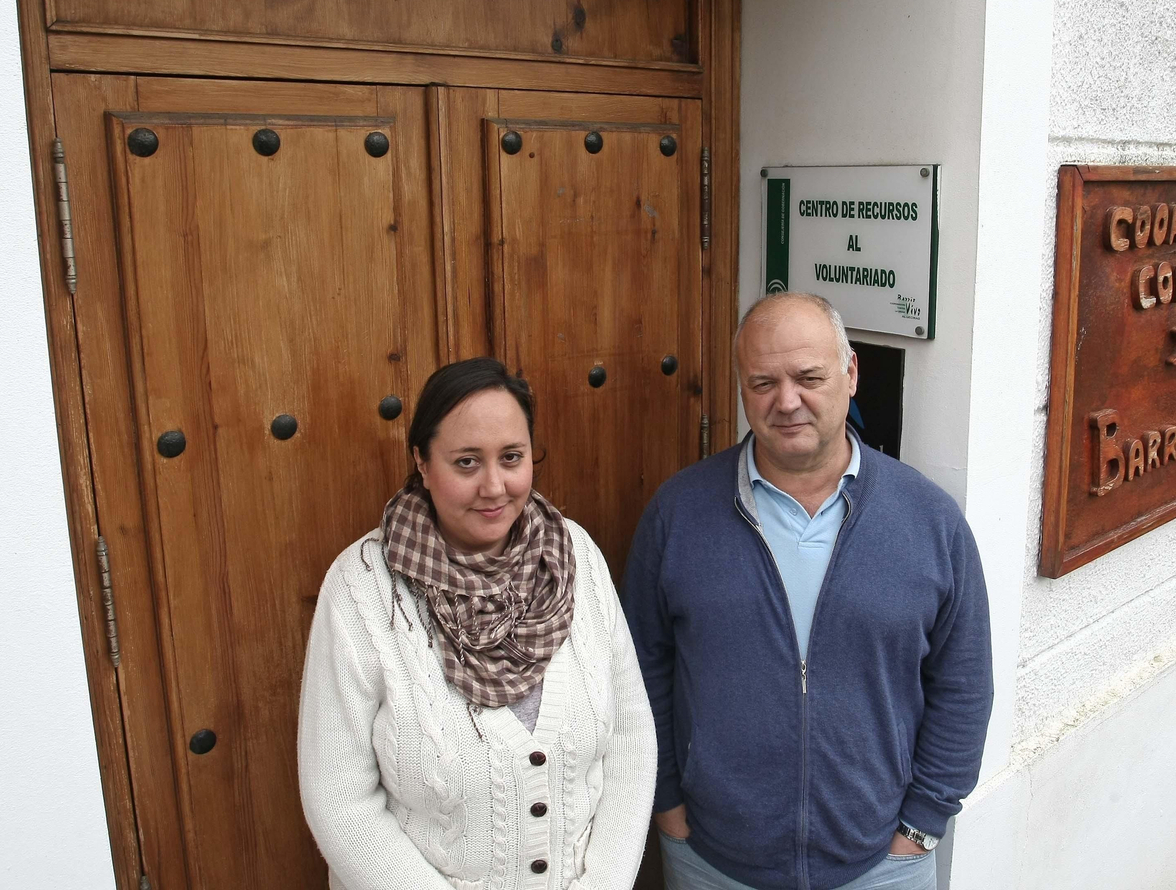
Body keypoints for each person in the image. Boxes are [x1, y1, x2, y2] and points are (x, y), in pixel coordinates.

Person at [624, 292, 993, 890]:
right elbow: (640, 672)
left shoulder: (929, 521)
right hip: (712, 862)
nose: (787, 401)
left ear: (851, 374)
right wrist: (667, 807)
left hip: (882, 867)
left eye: (809, 377)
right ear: (741, 388)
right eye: (763, 382)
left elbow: (964, 685)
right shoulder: (679, 514)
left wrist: (922, 825)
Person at [299, 357, 655, 890]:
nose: (494, 486)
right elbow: (339, 801)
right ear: (422, 462)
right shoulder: (364, 588)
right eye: (466, 462)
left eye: (511, 457)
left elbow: (631, 738)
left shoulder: (574, 554)